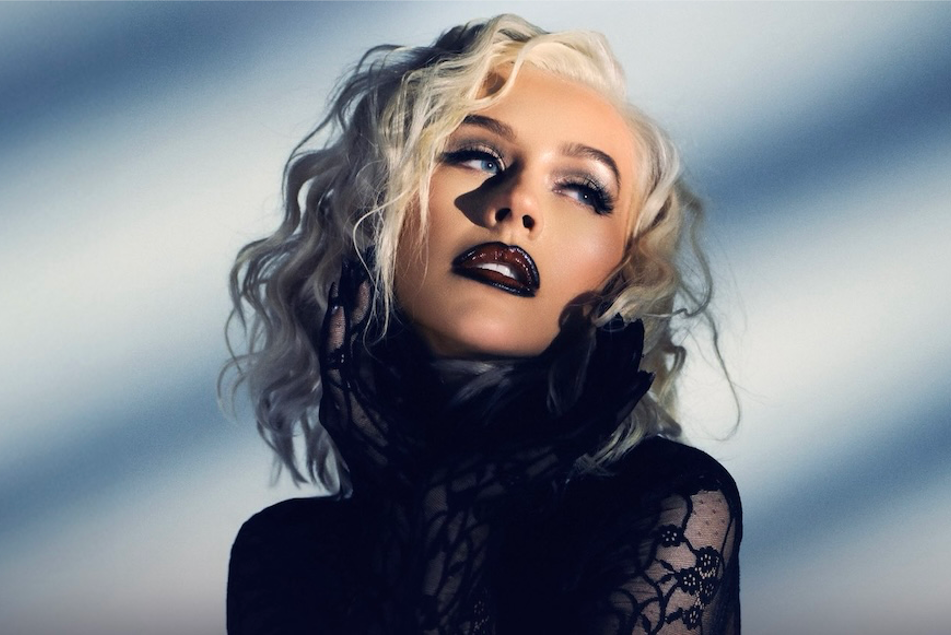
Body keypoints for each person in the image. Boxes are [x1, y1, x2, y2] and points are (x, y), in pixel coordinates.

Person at [223, 14, 741, 634]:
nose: (518, 201)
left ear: (623, 272)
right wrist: (411, 504)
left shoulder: (669, 505)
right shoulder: (283, 554)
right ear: (377, 208)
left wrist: (449, 512)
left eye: (582, 190)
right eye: (476, 155)